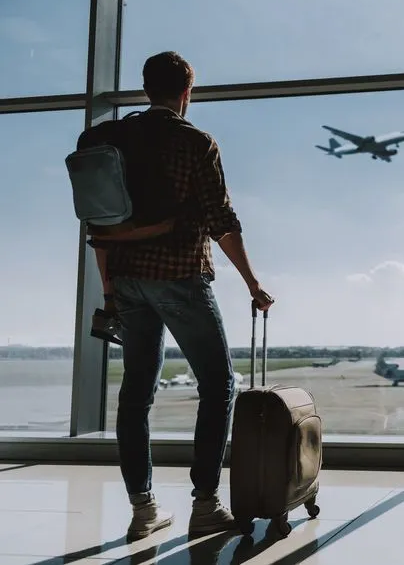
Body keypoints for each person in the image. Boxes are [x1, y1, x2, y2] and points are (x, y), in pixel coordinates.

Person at [94, 51, 274, 540]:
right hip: (178, 275)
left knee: (136, 395)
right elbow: (222, 222)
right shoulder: (195, 142)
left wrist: (110, 288)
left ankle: (142, 508)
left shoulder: (113, 140)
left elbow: (100, 224)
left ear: (146, 87)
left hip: (127, 279)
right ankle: (205, 503)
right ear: (186, 92)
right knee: (218, 385)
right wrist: (252, 282)